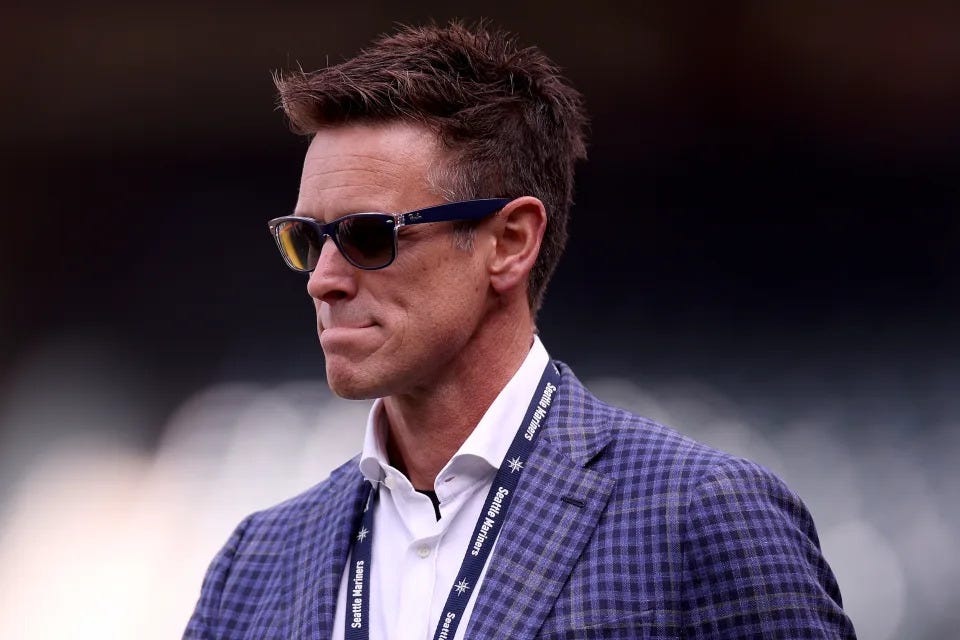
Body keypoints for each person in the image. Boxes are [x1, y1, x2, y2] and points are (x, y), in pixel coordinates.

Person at [184, 21, 856, 640]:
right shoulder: (254, 565)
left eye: (367, 235)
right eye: (306, 239)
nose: (322, 279)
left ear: (509, 241)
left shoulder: (703, 515)